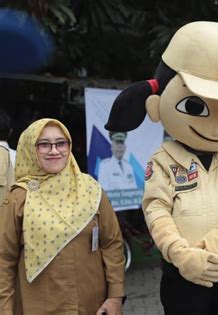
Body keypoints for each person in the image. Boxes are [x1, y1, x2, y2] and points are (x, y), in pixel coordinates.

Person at [104, 21, 218, 315]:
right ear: (156, 103)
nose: (216, 128)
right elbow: (157, 210)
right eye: (195, 106)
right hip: (182, 273)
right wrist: (182, 256)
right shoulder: (163, 160)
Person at [0, 118, 125, 314]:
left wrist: (115, 297)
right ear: (30, 148)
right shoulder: (19, 198)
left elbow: (112, 244)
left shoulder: (91, 190)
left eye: (61, 143)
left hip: (92, 306)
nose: (54, 150)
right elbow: (4, 260)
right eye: (44, 144)